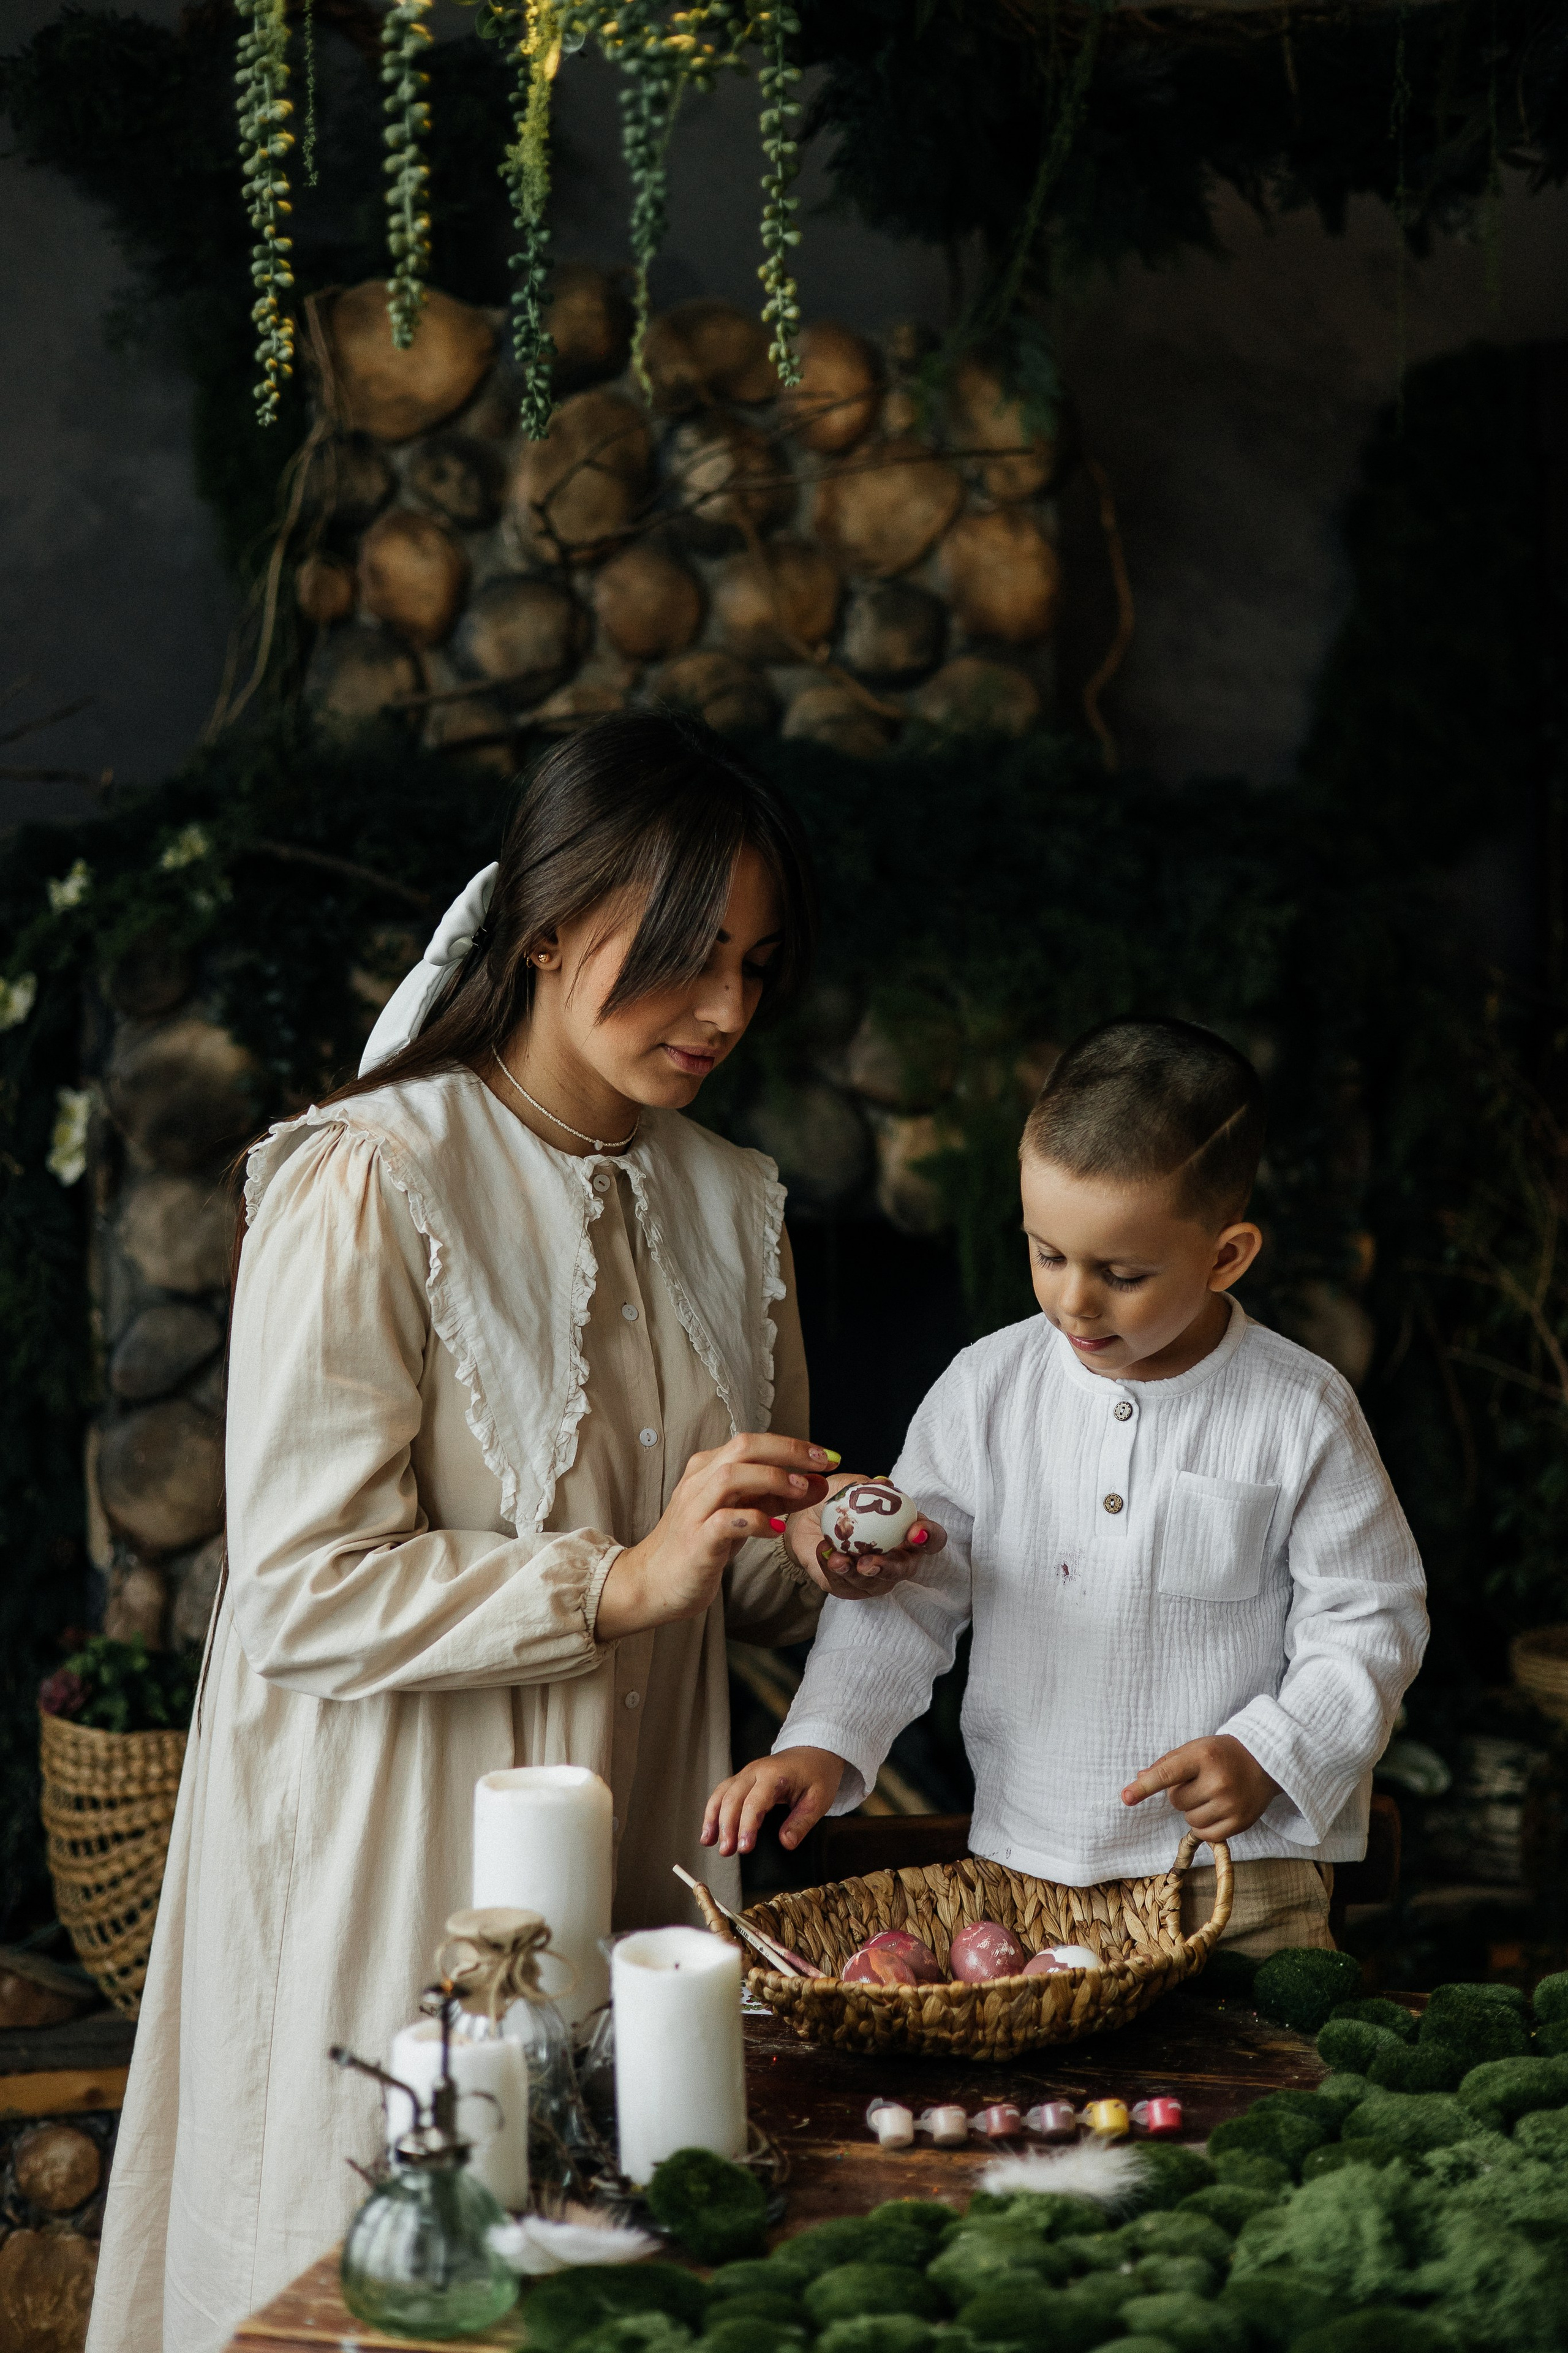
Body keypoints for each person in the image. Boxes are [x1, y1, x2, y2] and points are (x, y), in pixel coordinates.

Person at [87, 713, 935, 2353]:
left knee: (613, 2294)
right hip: (401, 1863)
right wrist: (621, 1576)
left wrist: (819, 1547)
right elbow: (303, 1591)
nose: (727, 1010)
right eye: (688, 956)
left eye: (757, 968)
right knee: (398, 2278)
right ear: (546, 925)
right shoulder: (370, 1177)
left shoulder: (732, 1197)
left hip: (637, 1865)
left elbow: (726, 1572)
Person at [705, 1016, 1429, 1959]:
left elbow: (1373, 1615)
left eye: (1122, 1274)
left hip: (1241, 1881)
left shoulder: (1301, 1409)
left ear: (1227, 1255)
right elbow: (907, 1597)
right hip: (1031, 1880)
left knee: (1262, 2085)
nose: (1074, 1301)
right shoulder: (987, 1389)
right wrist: (827, 1737)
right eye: (1047, 1253)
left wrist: (1273, 1751)